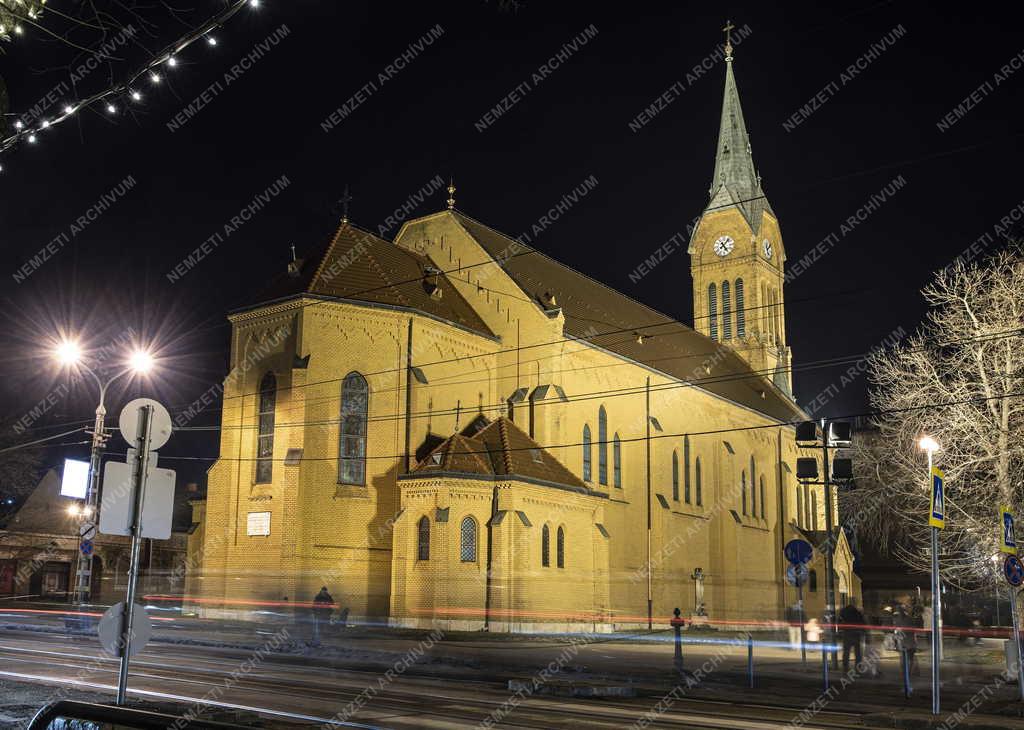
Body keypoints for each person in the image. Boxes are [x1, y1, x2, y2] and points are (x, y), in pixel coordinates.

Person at [837, 599, 866, 672]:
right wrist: (863, 632)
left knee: (846, 652)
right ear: (855, 603)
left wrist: (840, 630)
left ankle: (845, 668)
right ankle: (857, 668)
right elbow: (862, 622)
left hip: (847, 633)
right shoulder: (857, 612)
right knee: (858, 653)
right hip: (856, 634)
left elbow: (839, 621)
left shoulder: (843, 611)